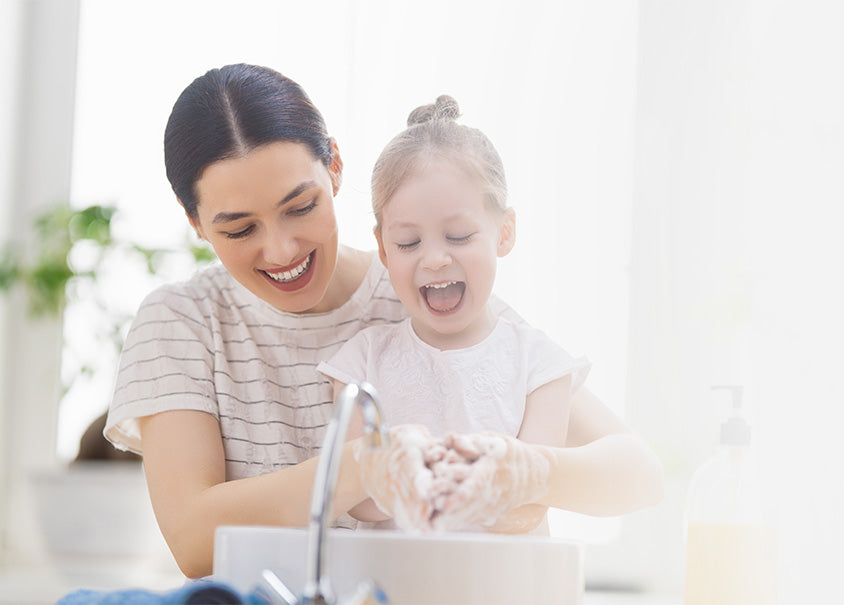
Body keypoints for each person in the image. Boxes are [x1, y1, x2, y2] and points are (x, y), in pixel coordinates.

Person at [103, 63, 664, 579]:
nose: (280, 250)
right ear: (195, 222)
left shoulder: (426, 294)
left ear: (336, 169)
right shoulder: (181, 322)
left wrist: (532, 473)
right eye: (239, 229)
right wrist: (362, 470)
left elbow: (635, 471)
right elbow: (194, 541)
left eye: (301, 207)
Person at [316, 95, 589, 533]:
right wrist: (395, 473)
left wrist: (480, 478)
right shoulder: (361, 363)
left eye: (459, 235)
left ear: (505, 232)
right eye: (408, 243)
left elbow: (529, 510)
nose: (436, 259)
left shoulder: (541, 366)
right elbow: (355, 503)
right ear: (383, 248)